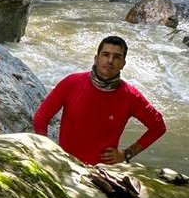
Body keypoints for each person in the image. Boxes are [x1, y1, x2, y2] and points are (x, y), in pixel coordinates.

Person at [32, 35, 167, 165]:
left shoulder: (131, 96)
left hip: (103, 172)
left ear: (123, 64)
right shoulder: (71, 83)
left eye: (117, 57)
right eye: (106, 54)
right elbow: (41, 118)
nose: (110, 60)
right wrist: (47, 152)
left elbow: (158, 127)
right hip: (68, 165)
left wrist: (127, 154)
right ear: (96, 58)